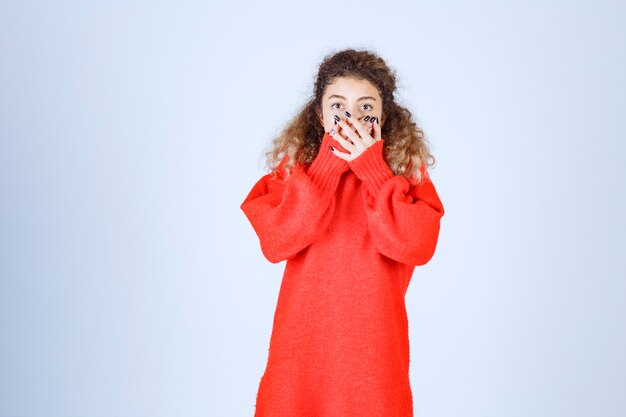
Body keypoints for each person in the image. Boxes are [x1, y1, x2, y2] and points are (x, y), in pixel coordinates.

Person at [240, 48, 445, 417]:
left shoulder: (404, 180)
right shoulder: (293, 174)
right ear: (320, 114)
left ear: (385, 116)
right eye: (338, 106)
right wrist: (324, 170)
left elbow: (416, 246)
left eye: (366, 107)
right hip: (301, 359)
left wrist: (374, 171)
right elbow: (276, 242)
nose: (351, 117)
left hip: (374, 361)